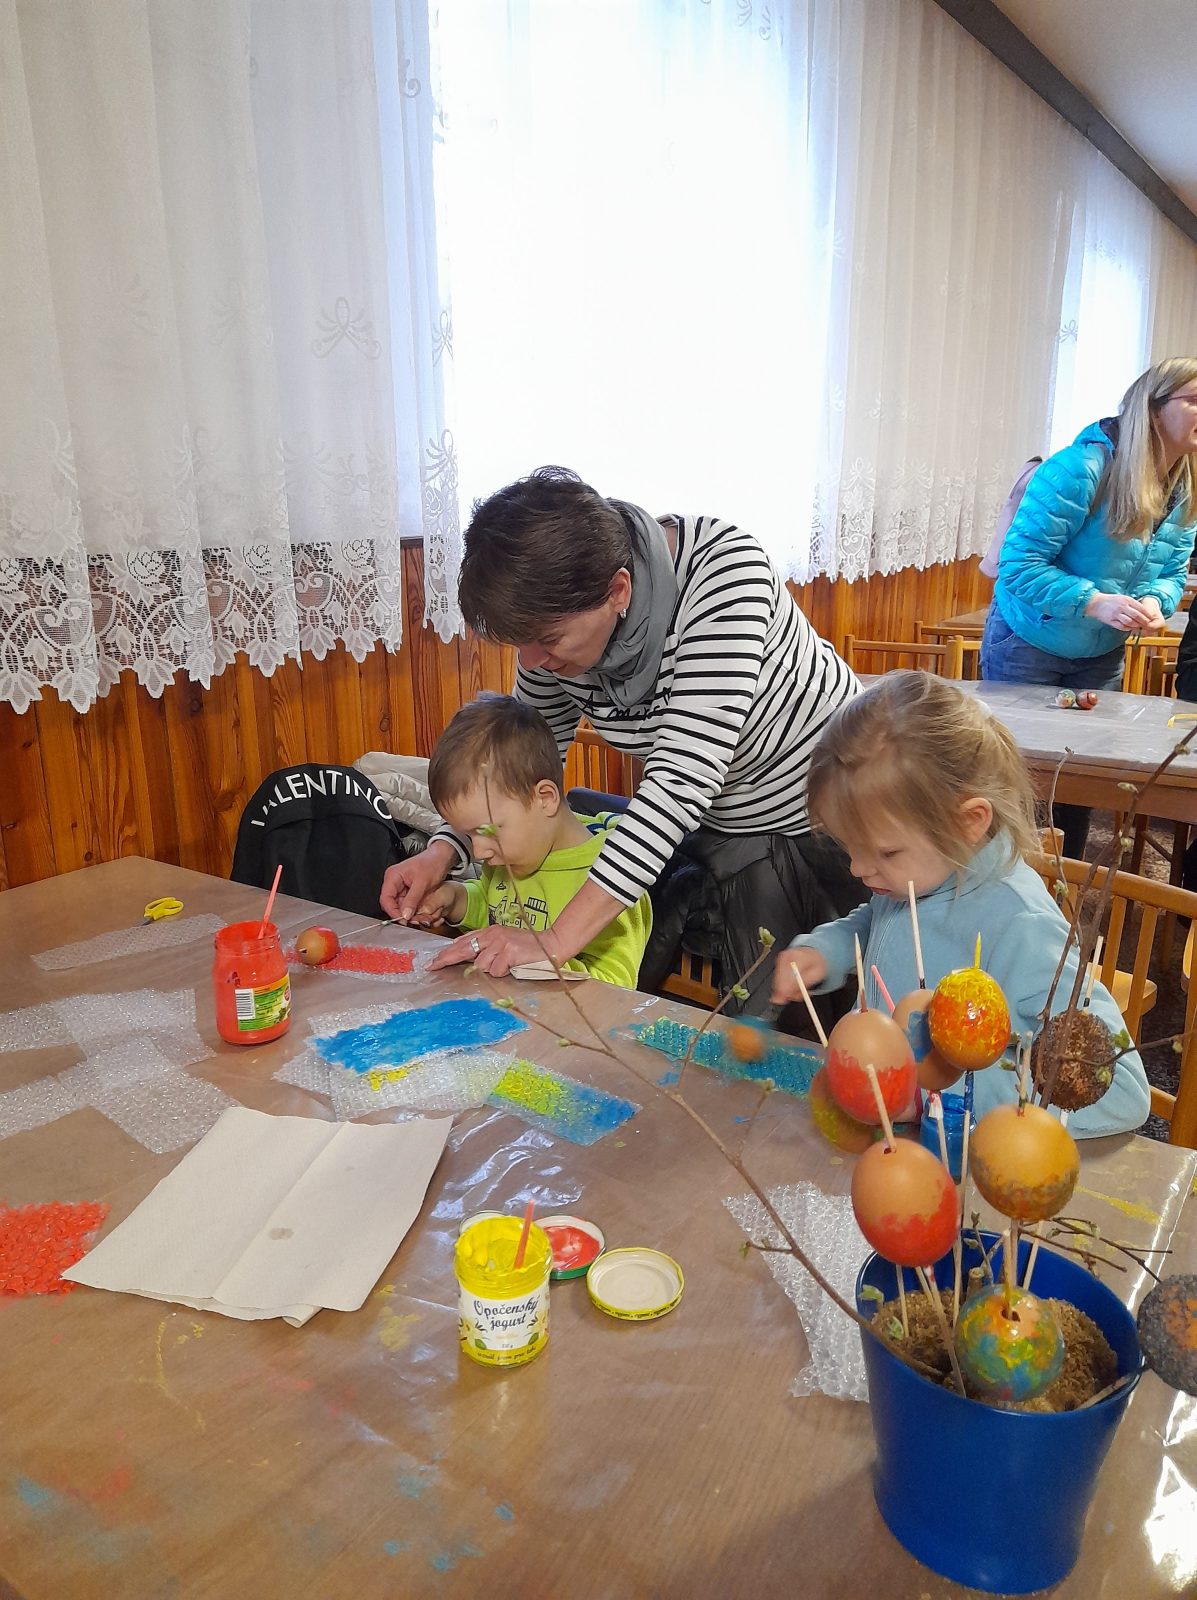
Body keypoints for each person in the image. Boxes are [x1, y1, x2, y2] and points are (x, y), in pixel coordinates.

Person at [382, 467, 864, 1013]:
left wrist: (555, 941)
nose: (531, 661)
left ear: (618, 590)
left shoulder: (725, 575)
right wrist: (443, 851)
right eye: (521, 642)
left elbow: (680, 782)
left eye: (547, 638)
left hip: (823, 817)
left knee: (776, 1024)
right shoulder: (557, 634)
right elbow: (508, 765)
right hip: (717, 822)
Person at [771, 672, 1150, 1137]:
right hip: (878, 1133)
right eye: (848, 845)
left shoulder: (1022, 926)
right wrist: (828, 949)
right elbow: (880, 923)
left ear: (969, 822)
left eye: (885, 852)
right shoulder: (912, 881)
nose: (857, 869)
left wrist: (936, 1094)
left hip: (958, 1155)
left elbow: (1122, 1092)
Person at [981, 357, 1197, 856]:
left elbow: (1172, 573)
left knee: (1079, 778)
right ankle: (1007, 890)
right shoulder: (1080, 469)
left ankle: (1066, 884)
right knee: (1018, 782)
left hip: (1099, 651)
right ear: (1154, 408)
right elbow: (1017, 564)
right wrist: (1093, 601)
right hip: (1028, 642)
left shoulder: (1185, 484)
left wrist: (1155, 601)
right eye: (1195, 400)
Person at [413, 694, 651, 989]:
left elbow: (616, 988)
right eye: (469, 835)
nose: (479, 851)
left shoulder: (612, 876)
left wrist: (532, 962)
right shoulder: (511, 856)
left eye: (487, 830)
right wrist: (454, 899)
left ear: (545, 798)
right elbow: (494, 910)